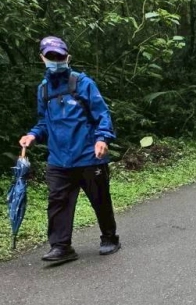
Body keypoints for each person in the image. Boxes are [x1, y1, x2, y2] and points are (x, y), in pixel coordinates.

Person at [19, 36, 120, 265]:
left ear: (68, 57)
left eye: (60, 56)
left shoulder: (83, 83)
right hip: (58, 159)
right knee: (58, 202)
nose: (56, 60)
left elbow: (102, 114)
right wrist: (32, 135)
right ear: (42, 58)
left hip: (89, 156)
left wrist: (102, 138)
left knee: (100, 199)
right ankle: (61, 246)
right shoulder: (43, 90)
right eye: (51, 57)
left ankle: (109, 237)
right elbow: (44, 122)